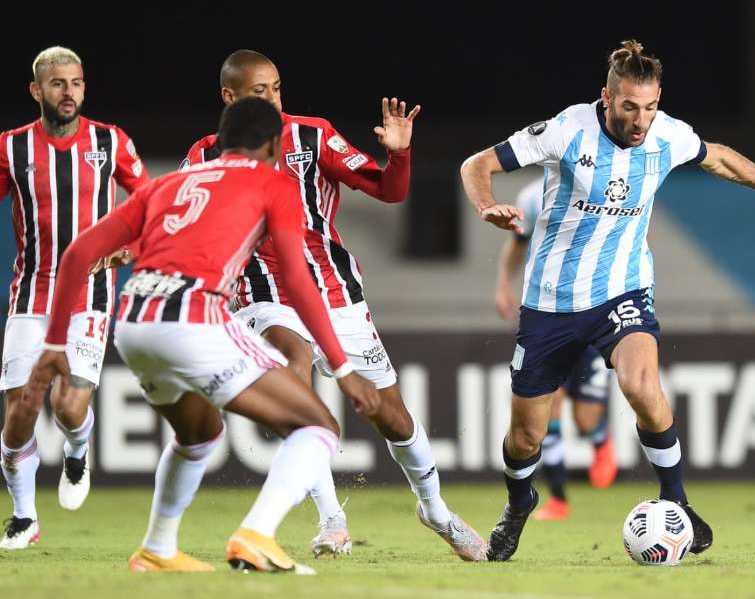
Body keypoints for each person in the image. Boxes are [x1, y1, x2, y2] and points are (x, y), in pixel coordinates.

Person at [461, 39, 755, 561]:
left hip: (623, 288)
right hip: (550, 302)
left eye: (649, 106)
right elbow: (476, 164)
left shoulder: (667, 135)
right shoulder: (567, 130)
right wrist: (486, 206)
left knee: (641, 384)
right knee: (525, 437)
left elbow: (722, 159)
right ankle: (519, 502)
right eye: (628, 107)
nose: (640, 120)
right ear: (606, 97)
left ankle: (678, 502)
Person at [22, 97, 382, 573]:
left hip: (133, 323)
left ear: (222, 139)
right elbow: (296, 279)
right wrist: (342, 368)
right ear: (274, 144)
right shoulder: (274, 183)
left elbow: (76, 254)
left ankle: (157, 549)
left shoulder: (169, 181)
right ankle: (256, 535)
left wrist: (52, 344)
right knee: (317, 426)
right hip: (192, 316)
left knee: (199, 435)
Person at [183, 50, 486, 561]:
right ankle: (332, 521)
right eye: (260, 92)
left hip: (334, 291)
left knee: (390, 415)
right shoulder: (205, 154)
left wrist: (400, 155)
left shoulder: (314, 135)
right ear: (230, 99)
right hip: (263, 293)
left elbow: (389, 191)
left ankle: (435, 511)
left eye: (277, 88)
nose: (273, 100)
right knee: (294, 371)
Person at [0, 46, 148, 549]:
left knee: (66, 406)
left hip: (91, 296)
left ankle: (77, 449)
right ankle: (24, 517)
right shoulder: (11, 148)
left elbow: (149, 201)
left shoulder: (110, 141)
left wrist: (132, 245)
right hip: (31, 297)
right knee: (21, 409)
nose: (69, 93)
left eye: (77, 83)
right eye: (58, 84)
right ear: (36, 90)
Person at [495, 173, 617, 521]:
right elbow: (517, 246)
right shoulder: (533, 197)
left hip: (595, 315)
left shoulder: (603, 185)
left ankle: (600, 438)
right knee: (547, 415)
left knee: (585, 419)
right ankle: (558, 500)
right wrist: (503, 286)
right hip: (549, 318)